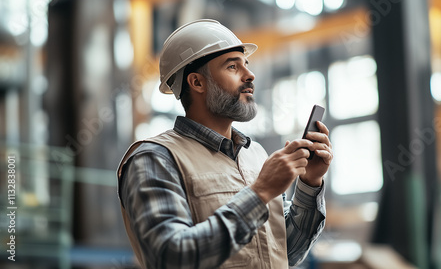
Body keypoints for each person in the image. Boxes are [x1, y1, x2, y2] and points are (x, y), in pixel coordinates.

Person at [117, 19, 333, 269]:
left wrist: (309, 184)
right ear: (197, 82)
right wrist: (260, 192)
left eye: (246, 65)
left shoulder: (255, 155)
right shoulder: (154, 159)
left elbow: (286, 253)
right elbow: (171, 257)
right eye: (233, 66)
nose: (250, 75)